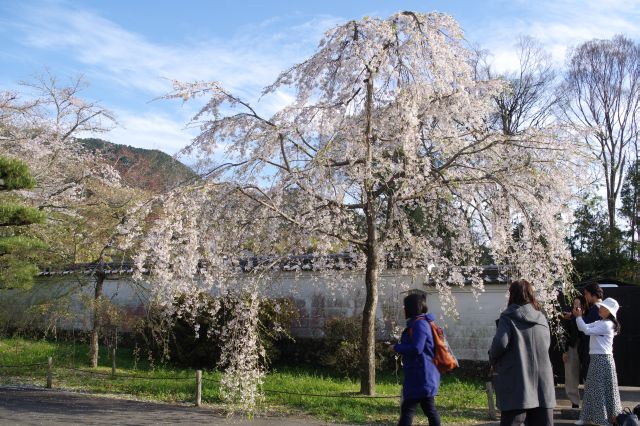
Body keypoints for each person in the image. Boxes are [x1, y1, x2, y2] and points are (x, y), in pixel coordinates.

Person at [489, 279, 556, 426]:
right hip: (543, 387)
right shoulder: (542, 318)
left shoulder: (508, 316)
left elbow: (499, 344)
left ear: (512, 295)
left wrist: (492, 359)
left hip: (517, 386)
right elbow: (546, 345)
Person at [392, 292, 441, 426]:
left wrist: (397, 348)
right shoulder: (420, 323)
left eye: (405, 306)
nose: (403, 309)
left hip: (420, 375)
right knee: (428, 409)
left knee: (408, 409)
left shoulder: (420, 324)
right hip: (422, 373)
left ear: (411, 308)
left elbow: (416, 348)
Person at [573, 297, 622, 426]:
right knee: (592, 389)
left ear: (609, 311)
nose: (600, 308)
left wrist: (579, 316)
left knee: (599, 390)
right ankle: (586, 418)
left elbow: (586, 330)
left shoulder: (607, 324)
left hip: (603, 360)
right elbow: (583, 327)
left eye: (603, 307)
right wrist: (579, 317)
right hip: (598, 359)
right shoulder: (602, 322)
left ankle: (604, 419)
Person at [562, 295, 586, 409]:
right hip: (572, 346)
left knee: (588, 374)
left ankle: (589, 403)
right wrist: (565, 351)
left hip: (585, 347)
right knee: (571, 374)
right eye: (574, 304)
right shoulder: (569, 319)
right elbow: (565, 335)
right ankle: (574, 402)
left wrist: (576, 317)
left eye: (579, 304)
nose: (576, 307)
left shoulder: (588, 316)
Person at [580, 282, 603, 381]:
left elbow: (585, 326)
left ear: (593, 294)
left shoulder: (597, 309)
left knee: (591, 379)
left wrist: (576, 317)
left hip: (593, 348)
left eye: (586, 294)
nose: (585, 296)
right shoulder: (598, 308)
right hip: (596, 348)